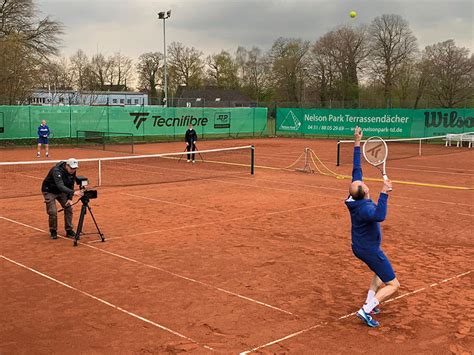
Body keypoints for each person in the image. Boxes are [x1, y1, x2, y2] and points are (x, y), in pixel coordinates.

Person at [345, 126, 400, 328]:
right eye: (362, 182)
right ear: (365, 190)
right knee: (393, 284)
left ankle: (370, 300)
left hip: (362, 246)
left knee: (379, 272)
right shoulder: (365, 210)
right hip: (368, 249)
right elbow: (380, 216)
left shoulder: (355, 196)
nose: (361, 179)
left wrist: (357, 141)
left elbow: (356, 168)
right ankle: (366, 310)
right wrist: (385, 193)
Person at [41, 158, 83, 240]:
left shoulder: (72, 171)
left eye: (75, 168)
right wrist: (73, 192)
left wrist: (70, 199)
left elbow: (71, 184)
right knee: (52, 211)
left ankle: (69, 230)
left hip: (62, 192)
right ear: (67, 166)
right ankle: (53, 230)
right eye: (71, 168)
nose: (73, 170)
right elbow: (60, 185)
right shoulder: (56, 171)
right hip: (49, 191)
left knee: (68, 208)